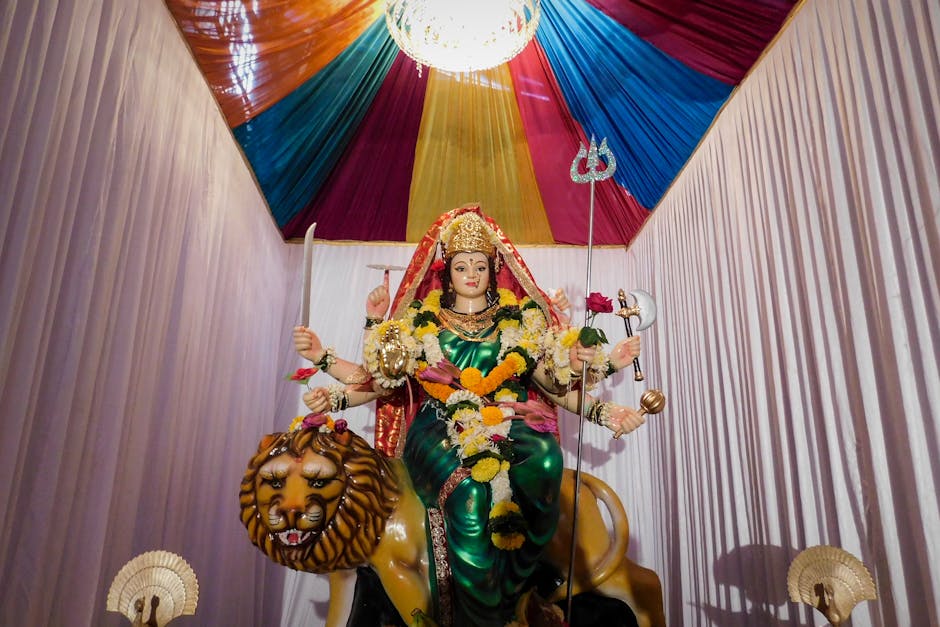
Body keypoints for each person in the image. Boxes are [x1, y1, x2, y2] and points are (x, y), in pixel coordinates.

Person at [294, 205, 644, 626]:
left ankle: (519, 588)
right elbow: (377, 380)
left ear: (494, 268)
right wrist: (322, 358)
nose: (472, 273)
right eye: (462, 266)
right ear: (447, 271)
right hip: (439, 424)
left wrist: (604, 393)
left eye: (480, 265)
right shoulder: (422, 324)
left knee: (549, 462)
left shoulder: (518, 320)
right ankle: (479, 618)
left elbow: (554, 386)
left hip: (510, 418)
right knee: (473, 493)